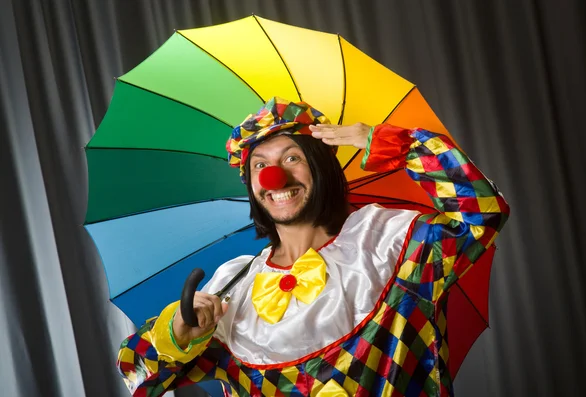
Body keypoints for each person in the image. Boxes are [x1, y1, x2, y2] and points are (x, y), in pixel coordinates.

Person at [117, 97, 509, 396]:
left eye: (292, 157)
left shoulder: (388, 240)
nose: (275, 176)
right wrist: (180, 332)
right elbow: (140, 378)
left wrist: (397, 144)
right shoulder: (233, 283)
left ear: (322, 168)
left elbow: (482, 213)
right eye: (260, 165)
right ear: (253, 187)